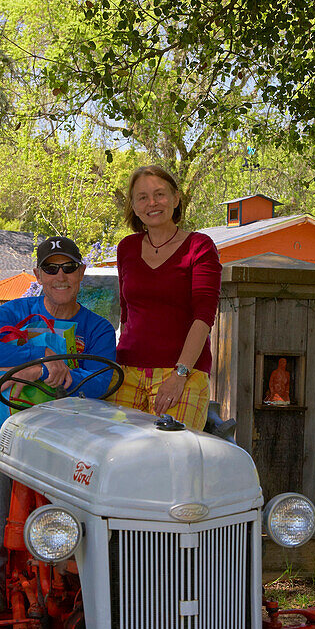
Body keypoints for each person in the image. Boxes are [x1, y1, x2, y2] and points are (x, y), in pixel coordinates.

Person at [0, 235, 116, 614]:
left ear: (81, 272)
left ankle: (90, 580)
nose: (60, 275)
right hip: (4, 421)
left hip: (67, 427)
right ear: (39, 274)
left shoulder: (95, 328)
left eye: (68, 267)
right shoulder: (13, 313)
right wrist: (40, 357)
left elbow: (103, 382)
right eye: (51, 268)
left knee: (94, 476)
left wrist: (63, 376)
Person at [113, 165, 221, 431]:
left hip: (182, 373)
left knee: (170, 457)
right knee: (120, 456)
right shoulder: (126, 248)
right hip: (127, 372)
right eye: (142, 197)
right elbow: (126, 315)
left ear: (175, 198)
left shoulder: (199, 246)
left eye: (160, 194)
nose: (152, 203)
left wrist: (180, 374)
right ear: (135, 206)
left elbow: (204, 317)